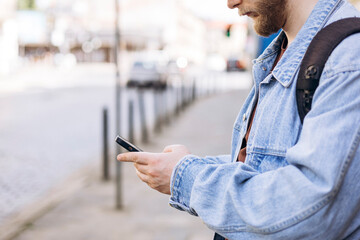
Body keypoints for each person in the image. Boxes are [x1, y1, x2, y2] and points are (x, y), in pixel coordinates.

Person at [117, 0, 360, 239]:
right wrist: (185, 165)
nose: (231, 3)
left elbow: (311, 208)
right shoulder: (284, 50)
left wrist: (186, 178)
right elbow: (265, 163)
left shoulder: (348, 59)